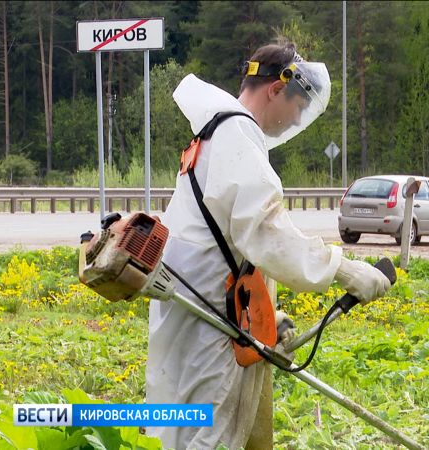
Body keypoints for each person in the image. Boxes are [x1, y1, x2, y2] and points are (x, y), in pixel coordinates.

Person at [146, 42, 391, 450]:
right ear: (276, 89)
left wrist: (262, 314)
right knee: (207, 437)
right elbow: (266, 231)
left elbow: (227, 241)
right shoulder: (236, 132)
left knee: (181, 430)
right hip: (208, 323)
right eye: (296, 107)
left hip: (199, 308)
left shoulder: (216, 131)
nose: (295, 119)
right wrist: (344, 270)